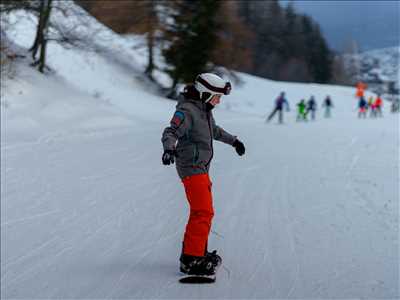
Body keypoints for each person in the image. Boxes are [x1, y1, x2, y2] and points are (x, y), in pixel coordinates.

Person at [161, 73, 245, 277]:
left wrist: (234, 141)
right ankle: (191, 260)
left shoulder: (205, 111)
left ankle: (196, 252)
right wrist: (169, 149)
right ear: (205, 94)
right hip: (191, 167)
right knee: (203, 212)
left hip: (201, 167)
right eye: (216, 96)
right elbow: (171, 132)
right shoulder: (187, 111)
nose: (219, 100)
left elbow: (213, 131)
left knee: (201, 211)